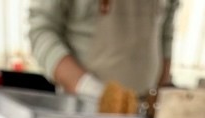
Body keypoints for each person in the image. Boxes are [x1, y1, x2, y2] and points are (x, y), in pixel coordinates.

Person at [28, 0, 179, 101]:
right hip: (80, 115)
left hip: (143, 117)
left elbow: (166, 32)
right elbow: (41, 31)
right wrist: (87, 87)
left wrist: (160, 95)